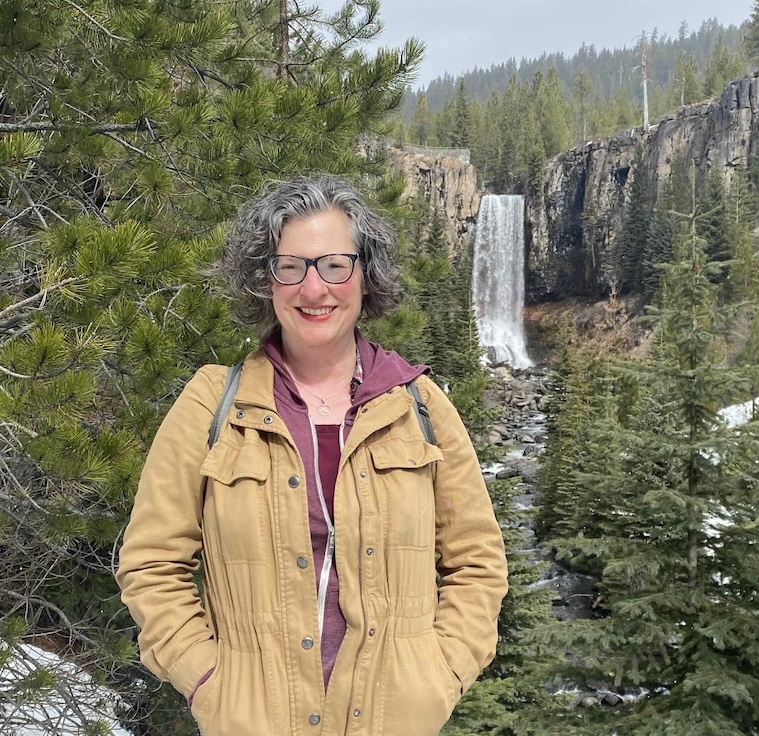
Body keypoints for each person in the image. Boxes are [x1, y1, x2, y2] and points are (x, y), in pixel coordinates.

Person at [116, 174, 508, 736]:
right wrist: (207, 681)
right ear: (266, 281)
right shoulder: (211, 405)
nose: (314, 288)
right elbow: (151, 564)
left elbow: (478, 563)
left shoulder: (421, 407)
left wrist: (440, 674)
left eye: (334, 265)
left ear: (366, 277)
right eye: (290, 266)